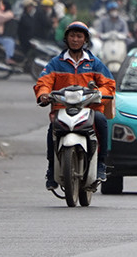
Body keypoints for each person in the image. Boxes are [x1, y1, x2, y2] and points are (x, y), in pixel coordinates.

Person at [34, 21, 115, 188]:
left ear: (85, 39)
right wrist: (43, 94)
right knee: (52, 131)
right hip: (61, 109)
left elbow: (109, 84)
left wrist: (100, 93)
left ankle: (101, 163)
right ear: (66, 38)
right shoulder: (56, 63)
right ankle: (51, 169)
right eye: (72, 36)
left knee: (101, 121)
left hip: (89, 110)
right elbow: (44, 82)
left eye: (79, 36)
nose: (75, 39)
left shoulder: (94, 63)